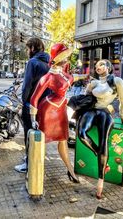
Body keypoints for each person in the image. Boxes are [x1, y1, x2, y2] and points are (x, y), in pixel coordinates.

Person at [77, 59, 123, 199]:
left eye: (101, 64)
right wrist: (87, 89)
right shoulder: (94, 82)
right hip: (91, 111)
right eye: (96, 65)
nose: (98, 67)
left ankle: (101, 180)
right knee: (81, 134)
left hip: (105, 112)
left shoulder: (117, 81)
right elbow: (85, 98)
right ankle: (97, 153)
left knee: (104, 140)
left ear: (109, 67)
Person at [30, 43, 79, 183]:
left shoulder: (63, 73)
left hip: (61, 109)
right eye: (63, 57)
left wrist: (86, 76)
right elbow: (34, 97)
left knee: (63, 139)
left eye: (66, 57)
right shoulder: (48, 77)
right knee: (42, 142)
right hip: (48, 110)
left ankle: (70, 168)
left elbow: (72, 78)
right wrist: (33, 117)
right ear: (56, 59)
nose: (66, 60)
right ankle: (37, 170)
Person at [14, 37, 50, 173]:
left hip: (31, 104)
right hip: (44, 104)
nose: (27, 51)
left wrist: (24, 101)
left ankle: (29, 163)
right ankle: (32, 157)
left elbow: (27, 85)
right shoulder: (48, 62)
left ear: (33, 48)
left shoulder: (32, 62)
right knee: (38, 132)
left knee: (29, 133)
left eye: (28, 48)